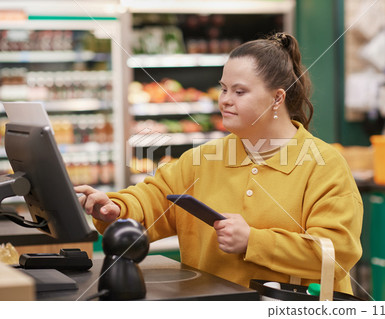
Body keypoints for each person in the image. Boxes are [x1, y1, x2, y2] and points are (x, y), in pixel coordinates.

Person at [75, 32, 363, 295]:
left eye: (239, 92)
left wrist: (253, 241)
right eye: (223, 89)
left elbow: (336, 254)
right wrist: (116, 209)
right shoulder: (203, 159)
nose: (225, 100)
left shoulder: (323, 165)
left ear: (277, 98)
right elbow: (154, 199)